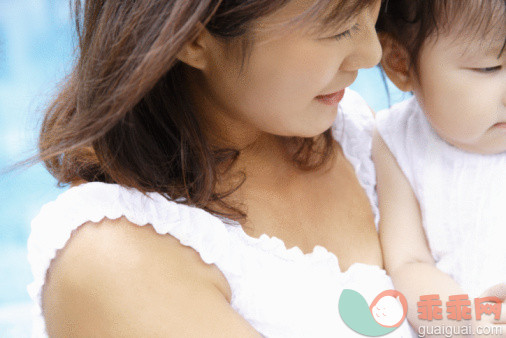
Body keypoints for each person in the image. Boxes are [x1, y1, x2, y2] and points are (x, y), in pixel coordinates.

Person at [26, 0, 416, 336]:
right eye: (339, 28)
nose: (372, 54)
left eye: (373, 8)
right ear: (193, 38)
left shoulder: (353, 133)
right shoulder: (112, 260)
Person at [373, 0, 506, 335]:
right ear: (400, 62)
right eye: (489, 68)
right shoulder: (398, 140)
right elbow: (409, 263)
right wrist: (465, 324)